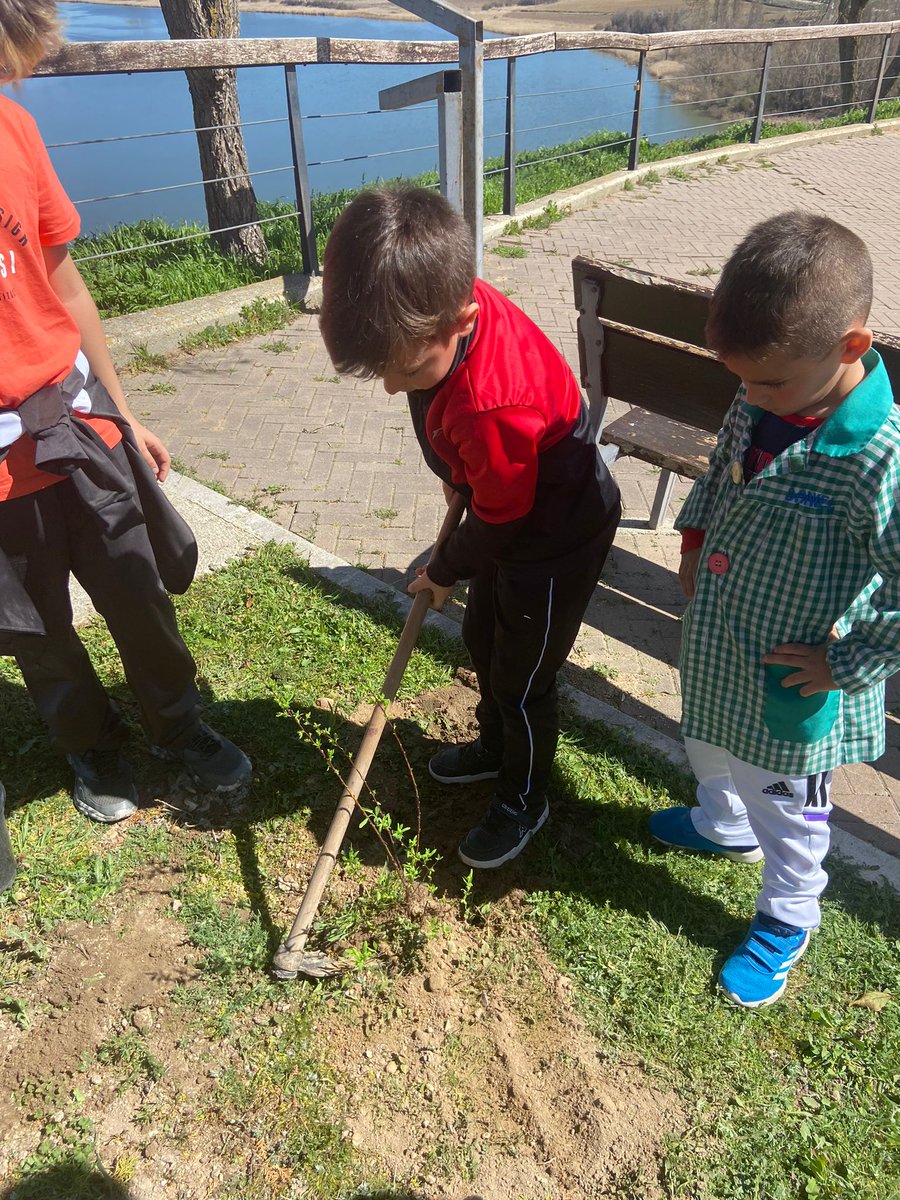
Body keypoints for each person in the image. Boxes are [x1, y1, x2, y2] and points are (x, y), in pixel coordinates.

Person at [0, 0, 251, 826]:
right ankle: (90, 744)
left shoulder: (15, 130)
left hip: (77, 423)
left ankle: (177, 726)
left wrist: (121, 409)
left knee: (138, 588)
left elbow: (65, 282)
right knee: (38, 629)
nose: (16, 78)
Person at [319, 186, 621, 869]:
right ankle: (493, 748)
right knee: (485, 640)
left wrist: (444, 567)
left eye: (406, 371)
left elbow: (501, 515)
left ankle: (524, 797)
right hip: (505, 515)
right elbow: (484, 493)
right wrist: (460, 480)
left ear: (461, 315)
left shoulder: (491, 403)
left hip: (552, 537)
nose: (395, 389)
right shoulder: (434, 302)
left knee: (523, 679)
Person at [650, 210, 900, 1007]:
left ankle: (787, 917)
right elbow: (721, 465)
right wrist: (692, 536)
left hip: (794, 676)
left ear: (851, 347)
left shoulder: (878, 456)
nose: (750, 397)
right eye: (741, 380)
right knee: (707, 742)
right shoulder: (764, 391)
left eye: (769, 383)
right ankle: (721, 824)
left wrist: (845, 662)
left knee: (787, 806)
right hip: (721, 636)